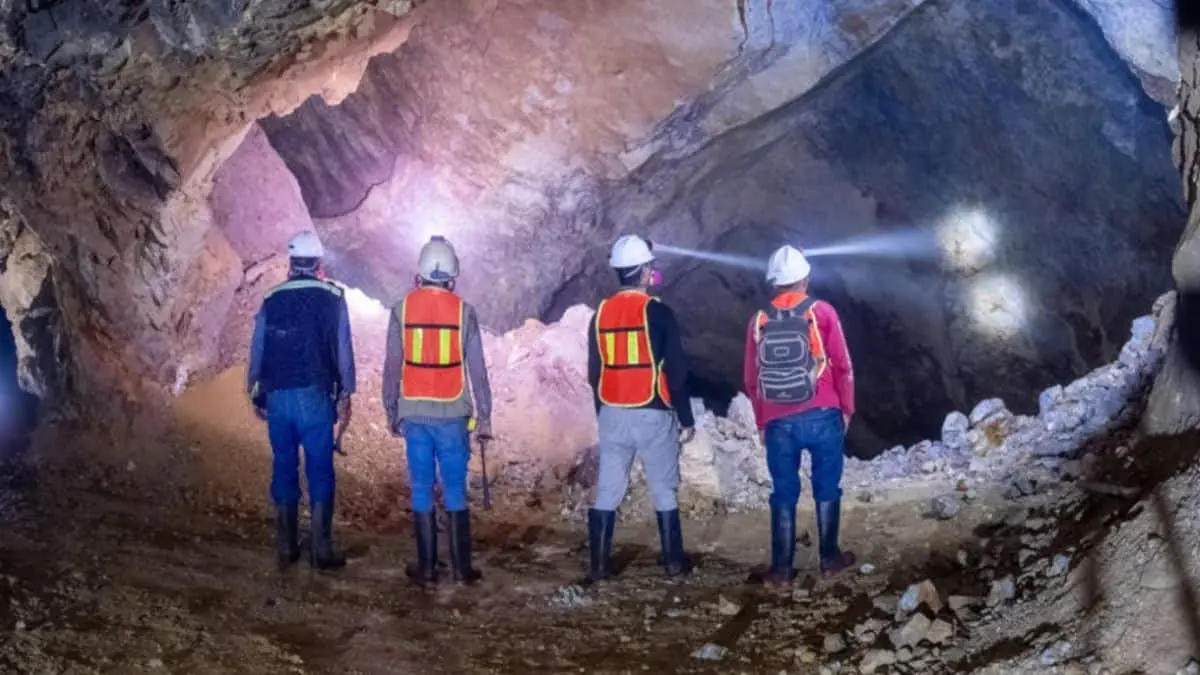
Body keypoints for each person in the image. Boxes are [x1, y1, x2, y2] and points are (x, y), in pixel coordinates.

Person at [382, 235, 493, 587]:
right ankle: (462, 569)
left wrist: (391, 410)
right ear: (452, 277)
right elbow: (478, 370)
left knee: (420, 487)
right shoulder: (465, 312)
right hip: (453, 413)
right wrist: (485, 416)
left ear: (419, 274)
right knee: (455, 488)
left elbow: (391, 366)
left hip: (413, 412)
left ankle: (427, 567)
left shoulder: (401, 309)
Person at [744, 245, 856, 585]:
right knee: (827, 487)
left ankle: (781, 569)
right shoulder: (822, 312)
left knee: (784, 491)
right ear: (805, 279)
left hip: (779, 420)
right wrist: (846, 408)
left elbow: (752, 378)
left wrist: (763, 420)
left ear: (774, 283)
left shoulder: (759, 319)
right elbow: (842, 364)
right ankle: (830, 558)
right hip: (823, 412)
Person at [586, 234, 697, 581]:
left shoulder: (599, 315)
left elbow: (595, 372)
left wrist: (602, 414)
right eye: (651, 266)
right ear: (645, 271)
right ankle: (673, 563)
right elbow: (676, 371)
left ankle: (600, 566)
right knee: (663, 488)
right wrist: (686, 417)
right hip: (652, 412)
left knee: (608, 488)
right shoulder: (658, 312)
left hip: (612, 413)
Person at [247, 230, 356, 572]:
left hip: (278, 394)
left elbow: (258, 351)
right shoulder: (333, 297)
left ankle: (286, 546)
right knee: (320, 469)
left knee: (283, 466)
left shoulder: (271, 298)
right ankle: (320, 549)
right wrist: (346, 393)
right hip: (314, 394)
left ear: (291, 262)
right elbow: (343, 350)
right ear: (319, 262)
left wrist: (256, 393)